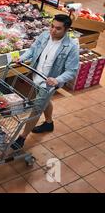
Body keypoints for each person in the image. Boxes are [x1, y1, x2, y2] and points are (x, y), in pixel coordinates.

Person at [11, 14, 80, 150]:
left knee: (37, 108)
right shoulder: (44, 35)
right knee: (45, 101)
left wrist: (57, 80)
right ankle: (49, 123)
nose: (53, 31)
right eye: (52, 26)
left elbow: (72, 70)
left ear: (66, 30)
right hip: (36, 76)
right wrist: (22, 58)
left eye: (58, 29)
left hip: (49, 83)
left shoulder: (71, 47)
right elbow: (32, 50)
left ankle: (22, 137)